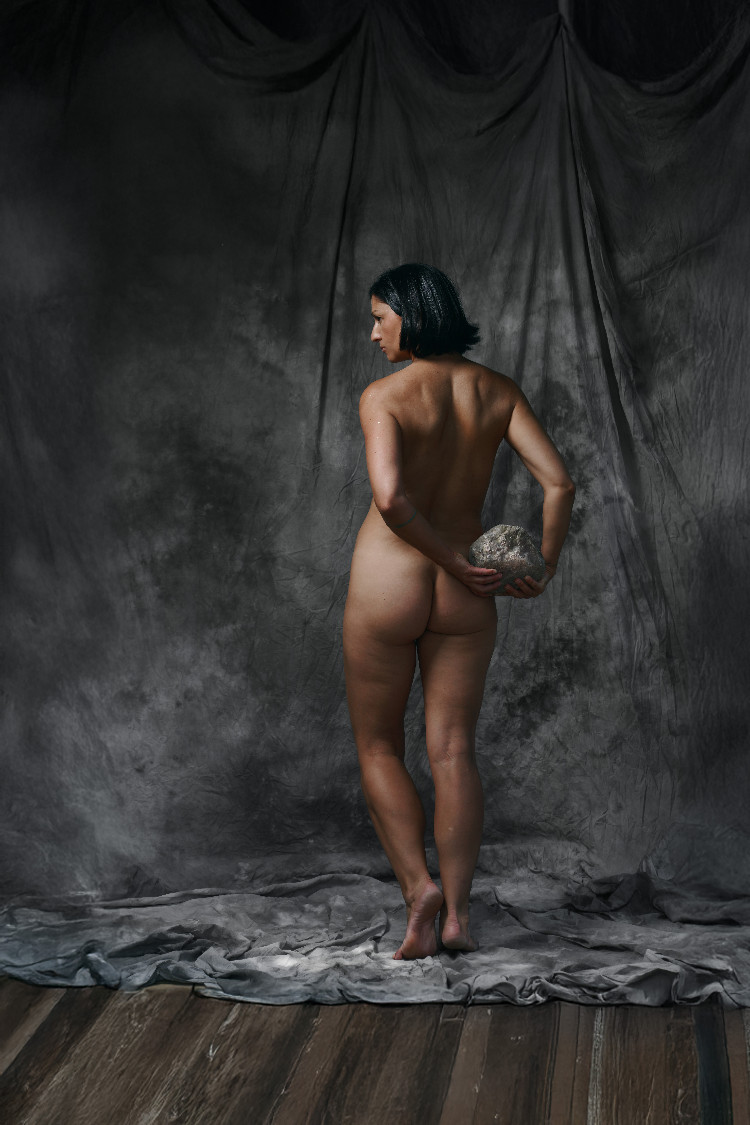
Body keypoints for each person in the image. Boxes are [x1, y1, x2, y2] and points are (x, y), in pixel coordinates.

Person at [343, 263, 575, 960]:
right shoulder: (496, 390)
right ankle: (459, 918)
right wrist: (541, 566)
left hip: (390, 578)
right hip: (470, 588)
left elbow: (391, 500)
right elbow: (559, 483)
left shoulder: (384, 396)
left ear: (412, 315)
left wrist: (444, 556)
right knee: (453, 750)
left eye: (380, 317)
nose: (374, 332)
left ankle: (420, 890)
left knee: (379, 746)